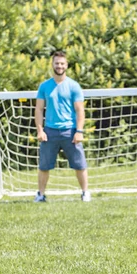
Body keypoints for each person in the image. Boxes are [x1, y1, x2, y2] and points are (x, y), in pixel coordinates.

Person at [34, 50, 91, 202]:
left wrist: (79, 131)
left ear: (66, 65)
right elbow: (39, 109)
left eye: (62, 63)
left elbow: (80, 111)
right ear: (52, 65)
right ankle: (40, 195)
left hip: (70, 131)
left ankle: (85, 193)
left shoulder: (74, 86)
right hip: (49, 132)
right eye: (57, 63)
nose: (59, 66)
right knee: (44, 166)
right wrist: (40, 130)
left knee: (80, 164)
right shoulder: (44, 86)